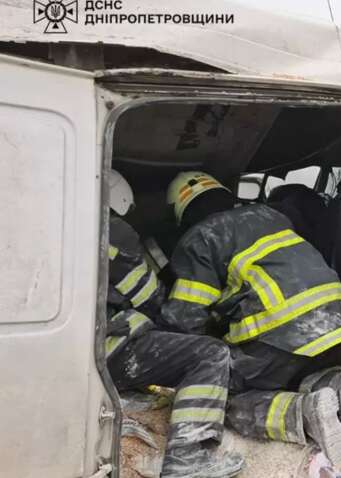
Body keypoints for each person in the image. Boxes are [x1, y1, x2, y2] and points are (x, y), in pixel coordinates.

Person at [161, 171, 341, 467]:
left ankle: (303, 414)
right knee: (296, 373)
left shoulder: (201, 237)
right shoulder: (268, 214)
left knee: (221, 395)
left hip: (284, 329)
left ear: (182, 211)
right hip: (336, 321)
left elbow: (186, 319)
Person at [105, 170, 243, 478]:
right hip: (112, 347)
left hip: (89, 348)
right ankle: (187, 461)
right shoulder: (114, 231)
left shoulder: (69, 227)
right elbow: (149, 299)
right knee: (211, 354)